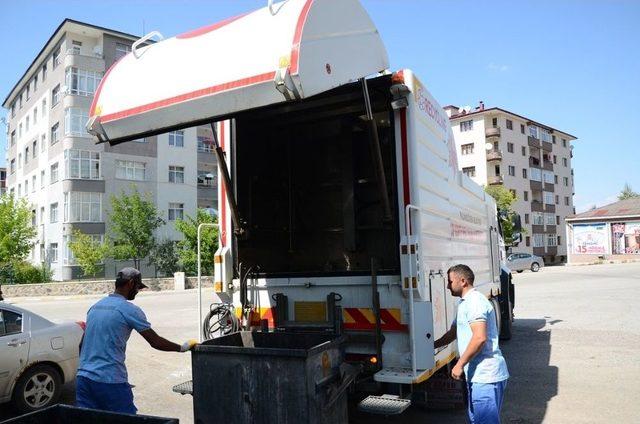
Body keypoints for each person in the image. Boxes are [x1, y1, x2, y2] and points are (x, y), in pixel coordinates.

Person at [76, 267, 197, 414]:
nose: (138, 291)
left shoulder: (95, 307)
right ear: (131, 283)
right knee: (127, 419)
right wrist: (182, 347)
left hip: (83, 379)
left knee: (88, 419)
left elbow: (81, 345)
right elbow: (155, 342)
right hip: (110, 381)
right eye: (138, 287)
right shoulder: (128, 309)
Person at [434, 264, 509, 424]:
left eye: (450, 281)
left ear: (462, 281)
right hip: (476, 376)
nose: (447, 286)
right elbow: (453, 333)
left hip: (486, 377)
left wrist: (459, 364)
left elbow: (479, 338)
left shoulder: (475, 302)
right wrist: (433, 345)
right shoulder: (464, 303)